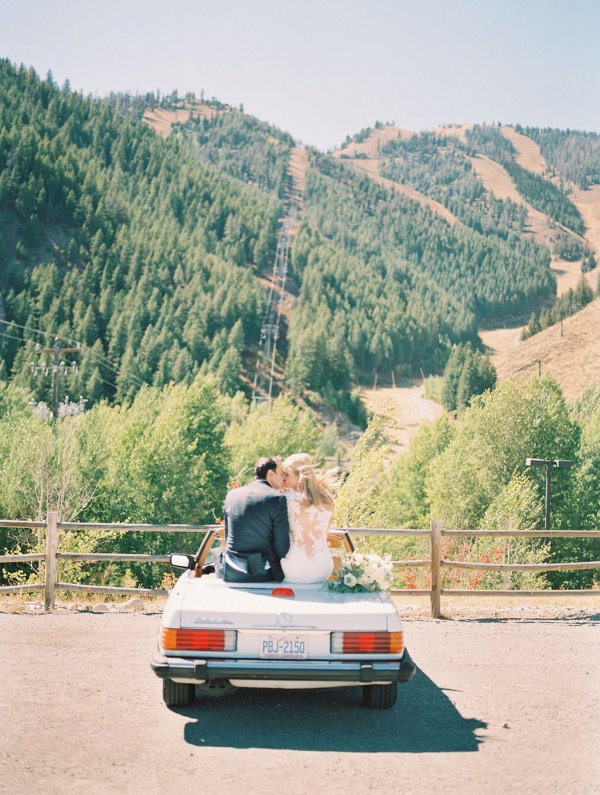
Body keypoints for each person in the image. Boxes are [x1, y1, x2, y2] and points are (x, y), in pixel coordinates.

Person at [215, 457, 291, 583]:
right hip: (263, 574)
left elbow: (228, 536)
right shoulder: (277, 498)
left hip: (231, 572)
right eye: (281, 474)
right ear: (271, 474)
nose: (283, 478)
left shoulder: (232, 495)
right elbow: (282, 548)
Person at [280, 453, 336, 584]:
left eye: (286, 475)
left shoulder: (285, 499)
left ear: (300, 476)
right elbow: (324, 535)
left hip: (295, 569)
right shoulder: (327, 500)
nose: (283, 478)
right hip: (324, 568)